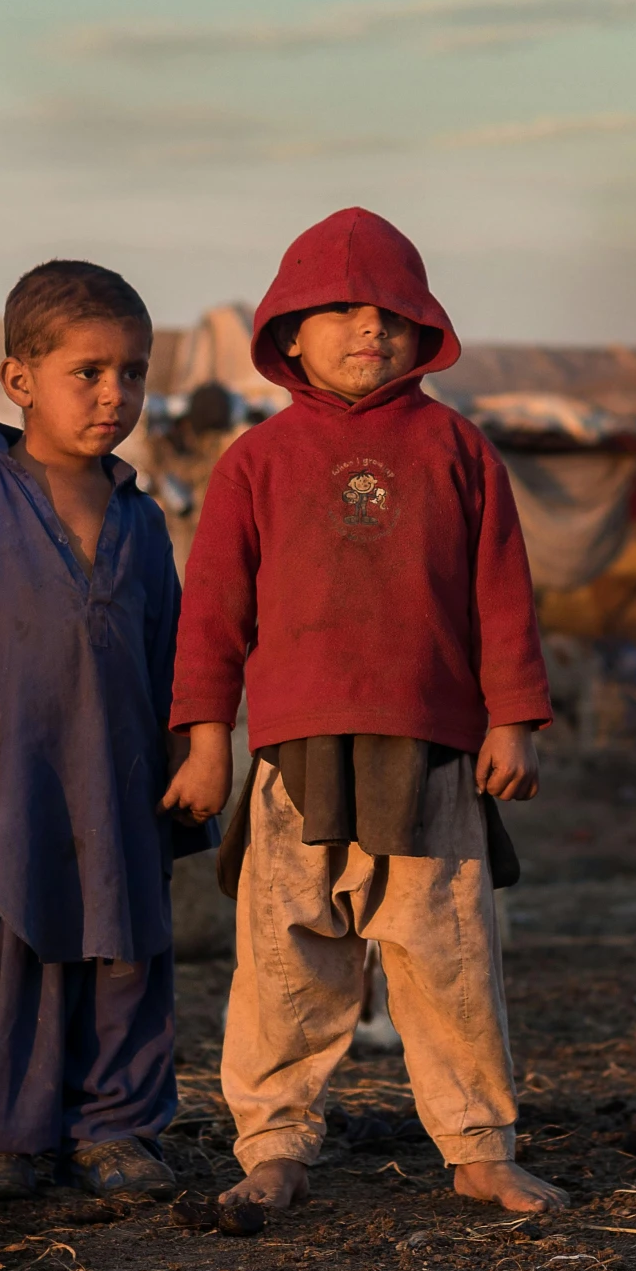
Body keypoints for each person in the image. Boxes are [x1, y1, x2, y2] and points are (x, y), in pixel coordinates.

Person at [161, 207, 566, 1214]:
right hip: (293, 750)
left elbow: (502, 594)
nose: (367, 328)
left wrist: (512, 717)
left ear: (422, 327)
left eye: (390, 310)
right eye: (337, 309)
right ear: (287, 332)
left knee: (447, 950)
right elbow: (211, 615)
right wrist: (207, 743)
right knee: (286, 948)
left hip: (433, 746)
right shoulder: (253, 462)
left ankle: (477, 1144)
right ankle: (274, 1140)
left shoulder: (457, 449)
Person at [0, 261, 205, 1202]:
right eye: (90, 371)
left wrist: (192, 751)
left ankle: (115, 1127)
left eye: (135, 372)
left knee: (125, 945)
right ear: (19, 379)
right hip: (3, 776)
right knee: (4, 950)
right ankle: (3, 1132)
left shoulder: (143, 522)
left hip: (121, 770)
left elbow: (171, 650)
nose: (117, 395)